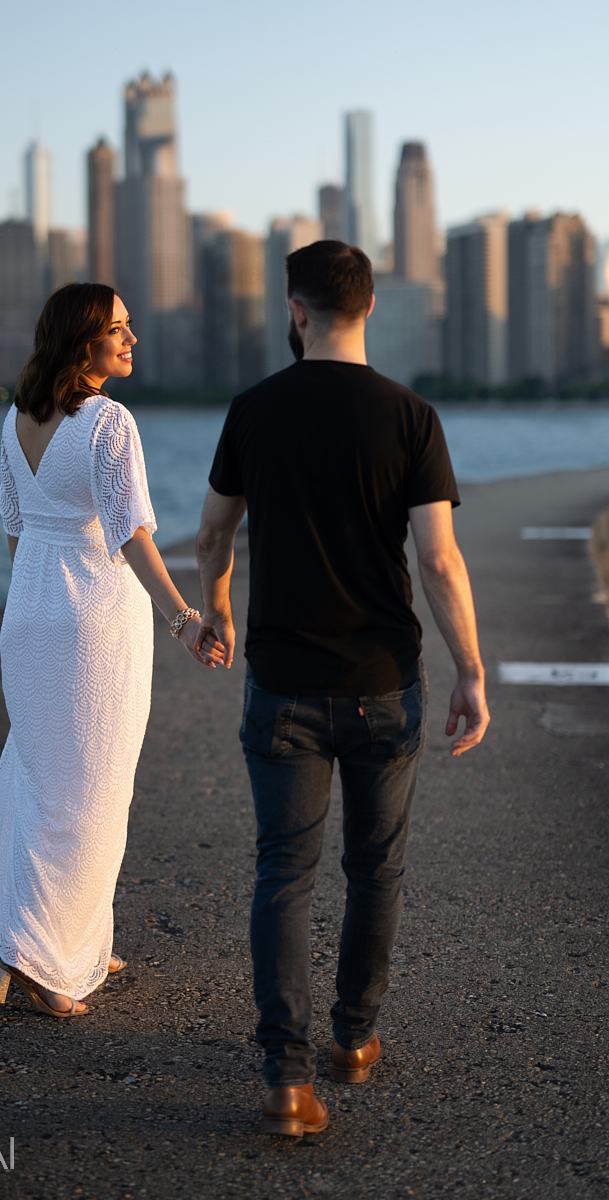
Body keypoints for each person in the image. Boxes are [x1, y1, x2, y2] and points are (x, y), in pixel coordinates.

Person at [195, 240, 489, 1136]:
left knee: (283, 873)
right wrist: (472, 672)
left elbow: (212, 534)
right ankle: (353, 1040)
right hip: (382, 686)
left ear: (295, 308)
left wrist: (216, 608)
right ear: (368, 309)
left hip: (280, 681)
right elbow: (437, 559)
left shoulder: (253, 410)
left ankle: (285, 1080)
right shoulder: (409, 416)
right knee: (376, 869)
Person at [0, 282, 223, 1017]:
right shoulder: (107, 421)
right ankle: (44, 963)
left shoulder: (17, 419)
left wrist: (35, 603)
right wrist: (181, 620)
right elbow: (130, 533)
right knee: (91, 790)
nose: (131, 339)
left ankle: (59, 938)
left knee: (43, 781)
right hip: (91, 618)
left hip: (33, 611)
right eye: (118, 329)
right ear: (84, 343)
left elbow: (15, 526)